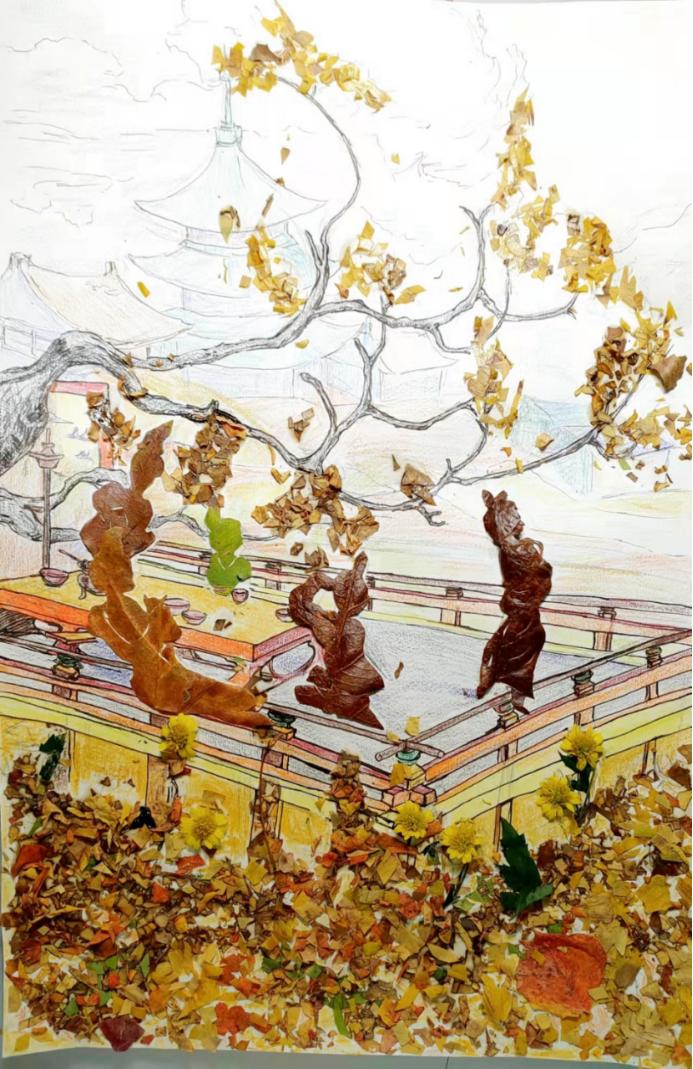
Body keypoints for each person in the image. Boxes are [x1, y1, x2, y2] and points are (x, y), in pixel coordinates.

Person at [477, 490, 553, 712]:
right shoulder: (522, 549)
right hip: (524, 610)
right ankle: (506, 694)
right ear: (507, 521)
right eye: (517, 517)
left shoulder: (511, 549)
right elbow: (541, 573)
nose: (522, 521)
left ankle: (507, 691)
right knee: (520, 646)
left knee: (515, 645)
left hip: (523, 609)